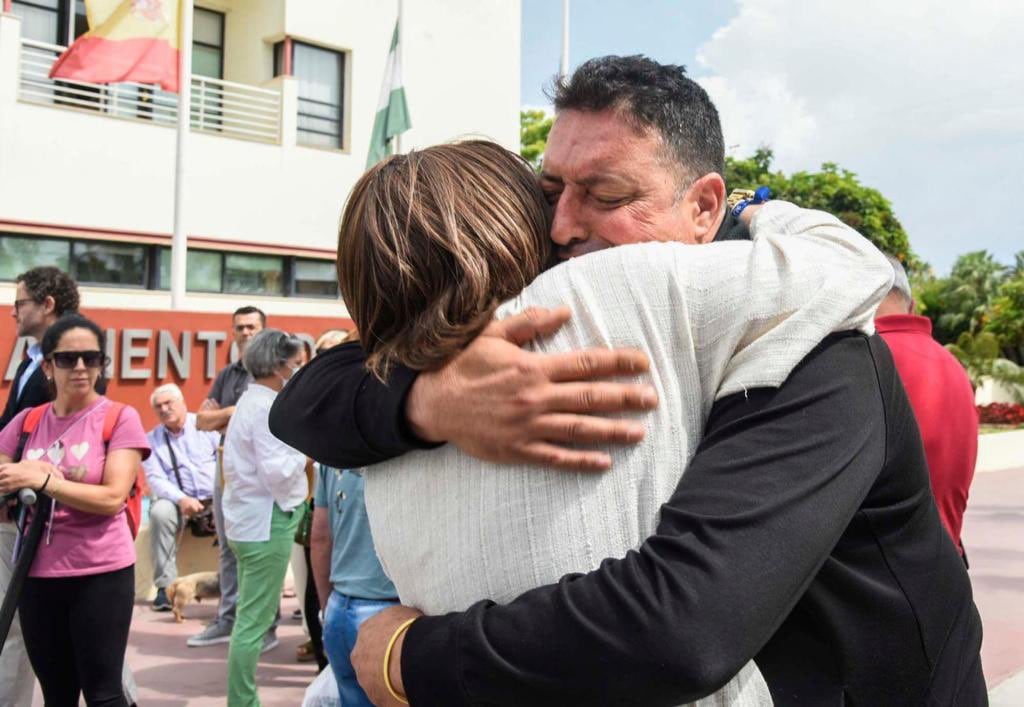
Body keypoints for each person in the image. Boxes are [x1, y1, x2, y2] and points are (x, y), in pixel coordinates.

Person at [274, 56, 986, 705]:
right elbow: (314, 394)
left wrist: (409, 656)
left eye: (605, 195)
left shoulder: (810, 344)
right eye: (548, 188)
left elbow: (683, 622)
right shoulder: (543, 320)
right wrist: (430, 401)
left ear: (706, 208)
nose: (559, 225)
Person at [0, 314, 150, 706]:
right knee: (57, 695)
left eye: (91, 358)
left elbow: (111, 498)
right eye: (67, 359)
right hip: (36, 572)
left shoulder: (120, 418)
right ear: (47, 366)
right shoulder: (27, 421)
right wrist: (20, 476)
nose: (80, 367)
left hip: (100, 573)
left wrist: (45, 480)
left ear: (102, 364)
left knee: (104, 694)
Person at [1, 266, 80, 706]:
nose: (13, 312)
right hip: (17, 507)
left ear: (47, 304)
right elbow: (11, 430)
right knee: (17, 622)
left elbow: (67, 436)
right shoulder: (30, 359)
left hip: (48, 515)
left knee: (74, 626)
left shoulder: (73, 361)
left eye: (20, 304)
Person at [221, 329, 308, 706]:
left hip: (248, 520)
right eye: (296, 363)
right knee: (253, 623)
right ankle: (243, 701)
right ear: (278, 365)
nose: (299, 369)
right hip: (267, 521)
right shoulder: (267, 406)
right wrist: (308, 455)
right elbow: (277, 471)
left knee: (249, 618)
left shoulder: (250, 400)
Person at [875, 255, 979, 560]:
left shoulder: (862, 361)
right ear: (913, 305)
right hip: (947, 571)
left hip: (882, 579)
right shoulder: (952, 365)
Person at [189, 305, 278, 650]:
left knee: (261, 547)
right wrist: (235, 413)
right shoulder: (229, 374)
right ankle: (227, 619)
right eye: (239, 327)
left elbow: (272, 419)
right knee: (228, 546)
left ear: (264, 330)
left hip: (263, 469)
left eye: (252, 327)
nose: (245, 333)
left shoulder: (275, 371)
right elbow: (200, 420)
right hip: (227, 466)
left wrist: (226, 417)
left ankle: (266, 626)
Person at [143, 383, 219, 611]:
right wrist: (181, 499)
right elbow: (155, 478)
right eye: (159, 406)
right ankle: (165, 588)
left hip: (216, 496)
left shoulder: (206, 427)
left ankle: (236, 585)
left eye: (169, 403)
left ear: (182, 403)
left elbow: (228, 462)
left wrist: (221, 496)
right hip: (179, 501)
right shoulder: (151, 440)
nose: (165, 409)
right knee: (160, 512)